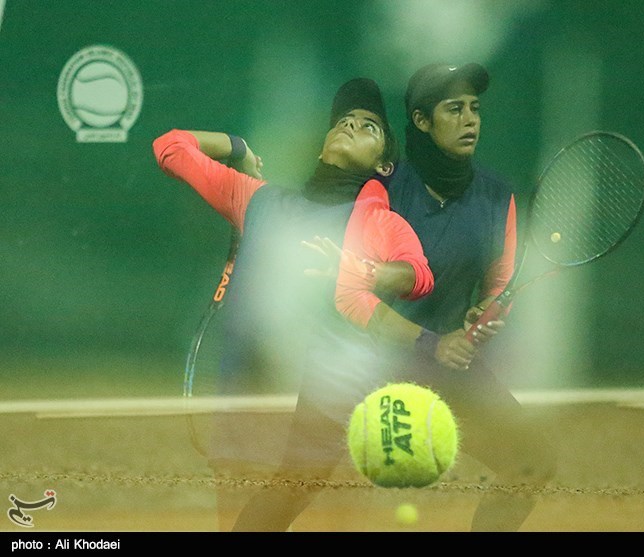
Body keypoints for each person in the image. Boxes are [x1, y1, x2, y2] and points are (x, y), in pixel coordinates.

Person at [153, 77, 452, 531]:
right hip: (247, 409)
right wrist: (237, 146)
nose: (351, 123)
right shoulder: (258, 200)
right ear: (322, 146)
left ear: (384, 164)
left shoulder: (383, 223)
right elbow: (170, 148)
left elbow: (418, 276)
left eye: (368, 126)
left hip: (323, 422)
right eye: (345, 121)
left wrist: (369, 273)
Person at [377, 62, 558, 532]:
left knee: (531, 463)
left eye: (475, 109)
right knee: (305, 481)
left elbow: (500, 277)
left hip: (447, 363)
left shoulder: (497, 195)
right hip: (371, 362)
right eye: (454, 109)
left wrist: (489, 309)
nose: (470, 119)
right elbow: (349, 287)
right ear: (421, 120)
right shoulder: (384, 187)